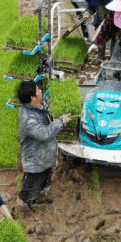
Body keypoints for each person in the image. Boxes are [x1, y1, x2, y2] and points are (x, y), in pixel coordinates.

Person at [17, 79, 73, 208]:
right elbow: (44, 134)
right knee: (31, 188)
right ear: (32, 97)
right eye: (38, 90)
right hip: (36, 162)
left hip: (45, 157)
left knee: (45, 181)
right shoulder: (28, 119)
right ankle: (23, 207)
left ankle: (39, 198)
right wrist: (61, 121)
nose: (41, 90)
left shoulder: (39, 107)